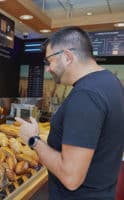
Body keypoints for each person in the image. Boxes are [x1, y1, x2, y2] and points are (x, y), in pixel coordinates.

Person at [16, 26, 124, 199]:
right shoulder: (111, 81)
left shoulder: (86, 95)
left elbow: (71, 177)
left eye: (49, 61)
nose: (48, 69)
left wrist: (33, 140)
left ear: (67, 57)